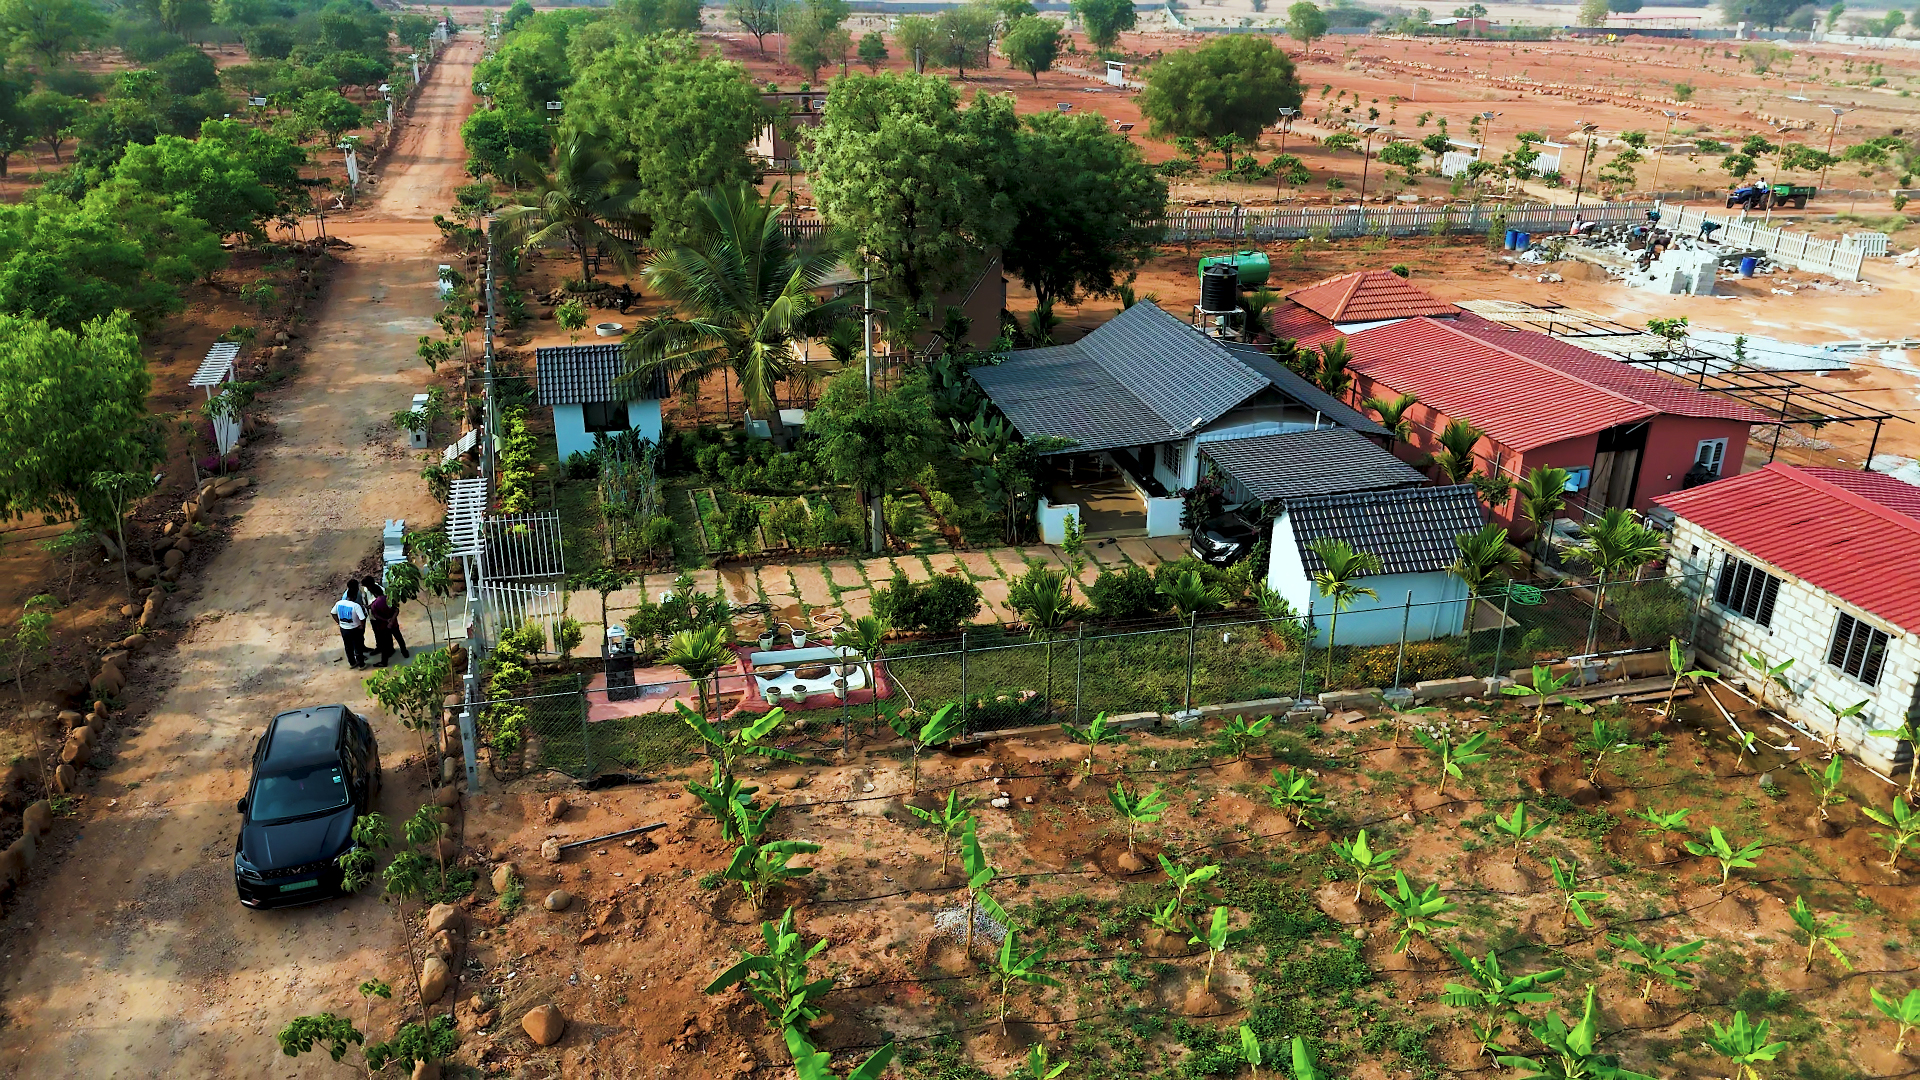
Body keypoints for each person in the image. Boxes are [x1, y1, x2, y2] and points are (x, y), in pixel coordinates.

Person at [363, 574, 410, 666]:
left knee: (385, 642)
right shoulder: (387, 599)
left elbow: (376, 615)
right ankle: (404, 652)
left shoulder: (375, 604)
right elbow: (396, 609)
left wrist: (386, 620)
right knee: (399, 638)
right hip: (393, 623)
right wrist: (391, 620)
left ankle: (384, 661)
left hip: (383, 625)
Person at [333, 582, 368, 669]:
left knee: (348, 647)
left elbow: (333, 613)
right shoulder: (355, 606)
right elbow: (362, 618)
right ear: (355, 596)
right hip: (354, 628)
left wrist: (339, 622)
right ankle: (361, 664)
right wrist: (361, 626)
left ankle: (352, 663)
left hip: (344, 628)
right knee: (358, 646)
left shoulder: (339, 603)